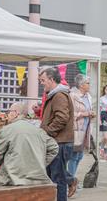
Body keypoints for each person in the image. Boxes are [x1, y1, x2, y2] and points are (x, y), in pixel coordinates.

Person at [0, 103, 58, 186]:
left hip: (12, 178)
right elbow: (54, 148)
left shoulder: (7, 130)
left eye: (9, 111)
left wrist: (6, 163)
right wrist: (40, 163)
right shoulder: (39, 131)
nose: (8, 114)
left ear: (16, 113)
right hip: (39, 177)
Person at [40, 67, 77, 200]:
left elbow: (61, 117)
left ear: (51, 79)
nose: (41, 83)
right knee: (52, 175)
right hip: (58, 141)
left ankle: (71, 181)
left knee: (58, 178)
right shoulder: (55, 94)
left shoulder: (59, 95)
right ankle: (71, 180)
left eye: (43, 80)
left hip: (60, 142)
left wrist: (47, 131)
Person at [68, 74, 94, 179]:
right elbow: (70, 114)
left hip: (86, 130)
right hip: (76, 130)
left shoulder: (88, 96)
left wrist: (91, 114)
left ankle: (71, 178)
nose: (89, 85)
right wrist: (85, 114)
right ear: (81, 85)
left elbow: (88, 111)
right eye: (88, 83)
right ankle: (70, 180)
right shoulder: (72, 96)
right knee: (74, 156)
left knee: (80, 156)